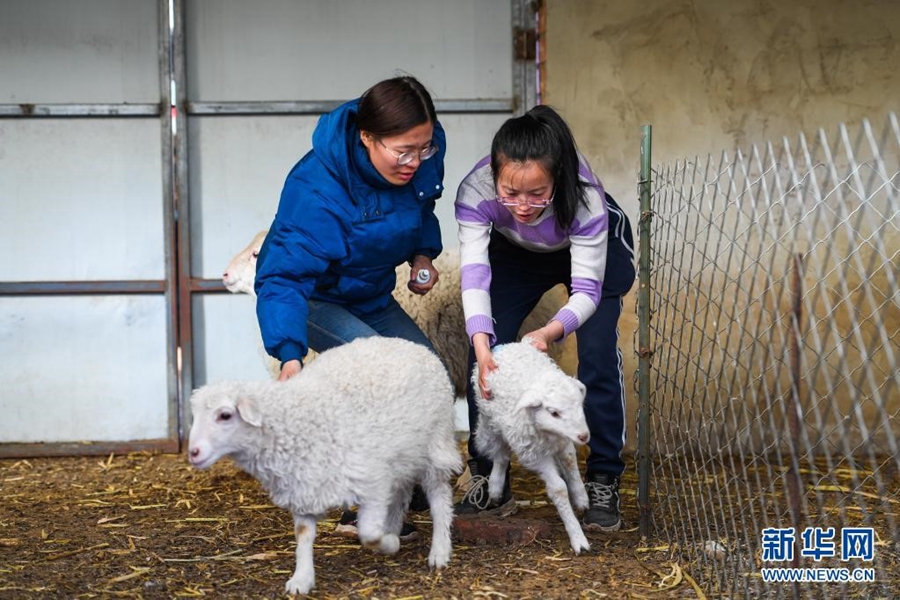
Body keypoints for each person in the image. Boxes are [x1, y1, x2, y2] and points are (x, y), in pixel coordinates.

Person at [254, 75, 447, 539]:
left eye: (424, 148)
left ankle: (406, 483)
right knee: (383, 376)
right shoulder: (316, 188)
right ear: (367, 137)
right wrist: (289, 354)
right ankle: (361, 502)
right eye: (403, 150)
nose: (415, 161)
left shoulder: (419, 157)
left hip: (371, 294)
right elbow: (281, 277)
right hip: (314, 301)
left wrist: (423, 255)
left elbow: (422, 209)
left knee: (427, 369)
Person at [454, 105, 635, 532]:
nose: (522, 204)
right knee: (483, 351)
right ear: (494, 176)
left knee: (596, 355)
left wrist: (551, 331)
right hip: (518, 254)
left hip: (587, 250)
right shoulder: (476, 192)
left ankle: (603, 476)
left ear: (559, 177)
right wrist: (482, 339)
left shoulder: (586, 199)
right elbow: (475, 275)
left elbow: (587, 292)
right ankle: (487, 476)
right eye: (510, 192)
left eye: (537, 193)